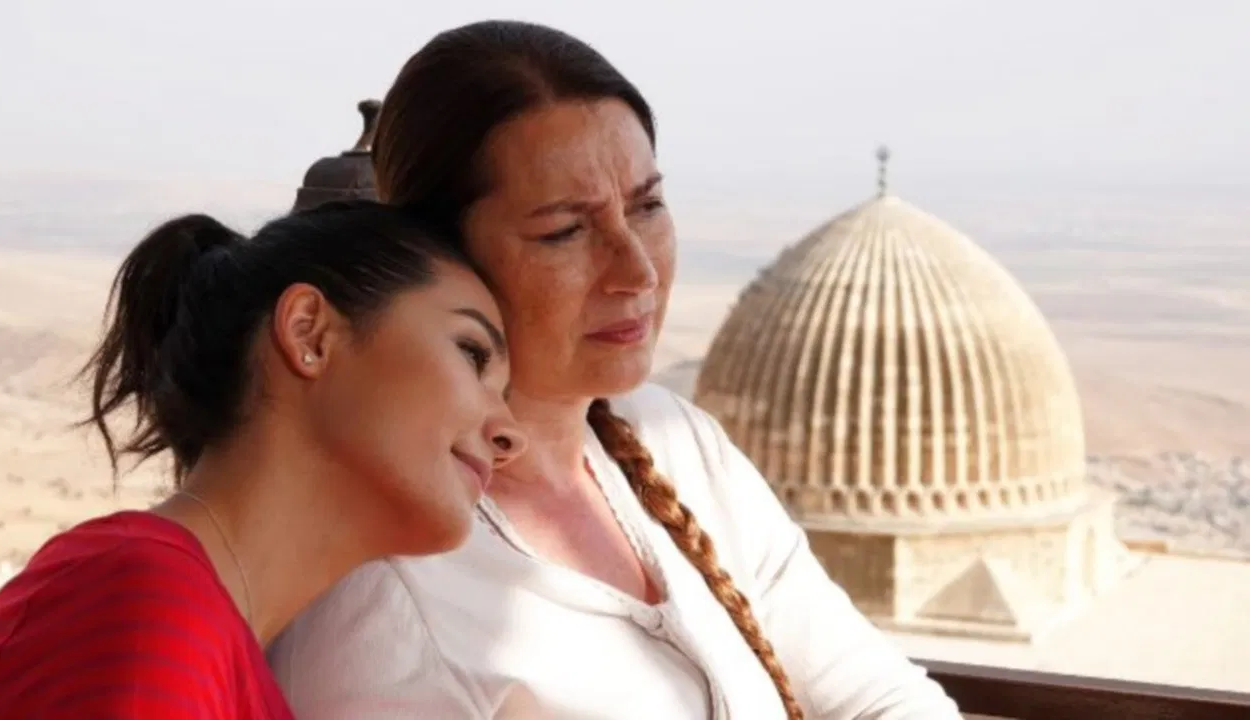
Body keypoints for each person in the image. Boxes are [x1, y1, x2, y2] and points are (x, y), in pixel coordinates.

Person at [268, 20, 962, 720]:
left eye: (647, 206)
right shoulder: (380, 595)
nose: (637, 270)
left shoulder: (678, 442)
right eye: (565, 231)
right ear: (440, 260)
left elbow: (880, 696)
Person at [0, 201, 525, 719]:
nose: (510, 434)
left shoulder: (204, 638)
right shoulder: (151, 610)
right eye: (472, 354)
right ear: (309, 333)